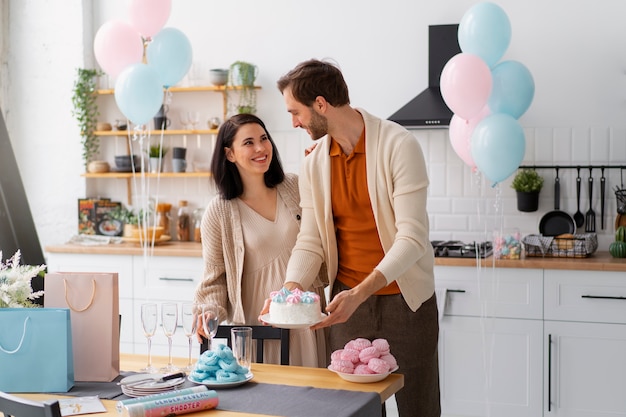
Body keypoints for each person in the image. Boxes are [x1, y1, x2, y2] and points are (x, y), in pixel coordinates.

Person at [266, 59, 440, 417]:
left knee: (418, 407)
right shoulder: (315, 163)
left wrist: (362, 291)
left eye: (295, 112)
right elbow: (310, 238)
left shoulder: (397, 145)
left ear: (320, 104)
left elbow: (412, 237)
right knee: (350, 410)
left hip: (405, 301)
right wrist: (290, 289)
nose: (293, 122)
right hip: (347, 304)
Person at [194, 113, 327, 367]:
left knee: (315, 399)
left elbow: (323, 233)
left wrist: (320, 169)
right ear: (229, 154)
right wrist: (209, 310)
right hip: (259, 326)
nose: (260, 148)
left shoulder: (295, 186)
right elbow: (214, 279)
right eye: (248, 142)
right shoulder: (218, 211)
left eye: (264, 139)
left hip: (305, 316)